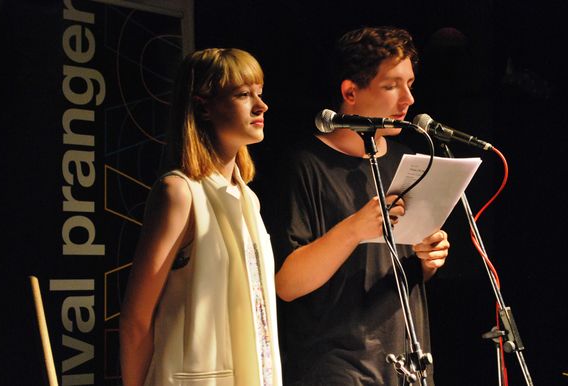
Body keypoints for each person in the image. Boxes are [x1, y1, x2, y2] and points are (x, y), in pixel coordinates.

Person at [269, 26, 450, 385]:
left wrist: (428, 258)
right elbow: (286, 283)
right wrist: (354, 229)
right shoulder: (305, 165)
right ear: (350, 92)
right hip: (335, 366)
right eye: (391, 86)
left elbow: (397, 269)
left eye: (410, 83)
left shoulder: (409, 163)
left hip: (406, 361)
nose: (408, 99)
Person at [119, 48, 283, 386]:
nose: (261, 106)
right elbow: (137, 319)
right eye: (242, 94)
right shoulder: (179, 192)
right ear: (204, 105)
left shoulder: (248, 199)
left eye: (260, 93)